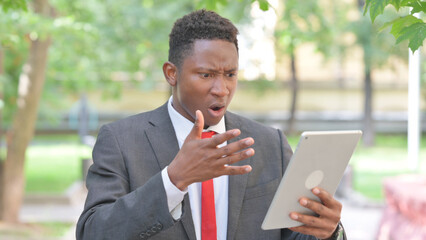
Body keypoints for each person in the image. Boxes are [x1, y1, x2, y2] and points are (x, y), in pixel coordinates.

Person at [76, 9, 345, 240]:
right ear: (172, 73)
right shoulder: (121, 141)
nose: (222, 89)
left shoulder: (269, 144)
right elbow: (93, 232)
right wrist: (173, 180)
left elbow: (293, 234)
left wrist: (328, 231)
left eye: (230, 74)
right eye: (206, 75)